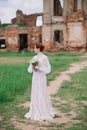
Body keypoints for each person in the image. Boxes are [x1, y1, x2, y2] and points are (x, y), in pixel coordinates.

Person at [24, 44, 56, 121]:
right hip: (35, 77)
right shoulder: (34, 57)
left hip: (41, 77)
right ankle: (35, 111)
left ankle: (43, 111)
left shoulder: (45, 57)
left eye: (35, 48)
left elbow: (48, 69)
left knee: (41, 92)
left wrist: (40, 68)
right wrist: (32, 67)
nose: (34, 49)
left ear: (39, 49)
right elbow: (29, 70)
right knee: (35, 92)